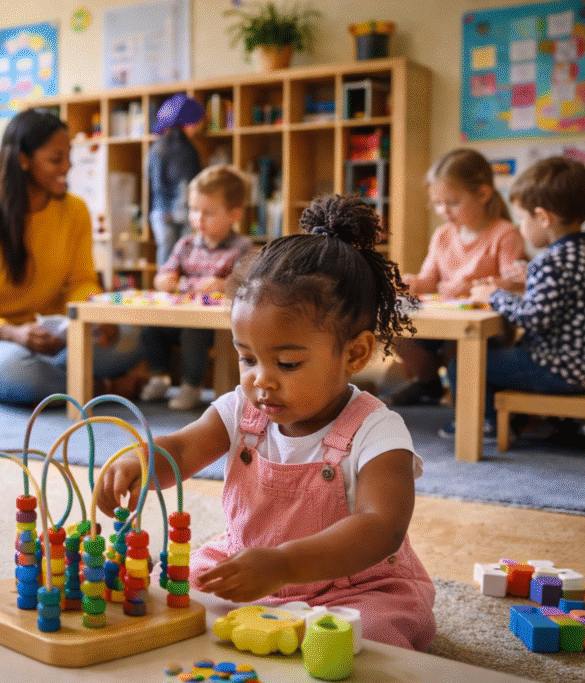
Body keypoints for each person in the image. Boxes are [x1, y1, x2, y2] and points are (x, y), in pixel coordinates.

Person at [97, 194, 436, 651]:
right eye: (247, 358)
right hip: (251, 569)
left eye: (288, 364)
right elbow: (180, 451)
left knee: (373, 639)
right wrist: (140, 462)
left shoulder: (377, 430)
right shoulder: (243, 409)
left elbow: (382, 526)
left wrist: (285, 564)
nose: (261, 381)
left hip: (354, 587)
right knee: (175, 603)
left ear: (354, 353)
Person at [0, 108, 143, 405]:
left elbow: (82, 281)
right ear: (23, 159)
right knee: (15, 370)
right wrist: (13, 333)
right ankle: (101, 389)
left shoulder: (75, 211)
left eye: (68, 156)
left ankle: (56, 386)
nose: (67, 167)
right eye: (55, 159)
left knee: (133, 338)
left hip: (55, 340)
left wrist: (96, 313)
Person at [446, 156, 585, 439]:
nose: (521, 227)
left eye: (523, 219)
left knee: (465, 365)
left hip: (560, 367)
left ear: (544, 218)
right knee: (504, 359)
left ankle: (485, 425)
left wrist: (495, 295)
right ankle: (529, 420)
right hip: (579, 363)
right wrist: (525, 283)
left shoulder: (552, 261)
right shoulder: (576, 254)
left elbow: (535, 318)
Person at [388, 148, 525, 407]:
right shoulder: (442, 235)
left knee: (459, 345)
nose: (443, 211)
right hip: (444, 317)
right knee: (394, 327)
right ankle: (428, 385)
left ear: (483, 194)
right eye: (438, 203)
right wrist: (406, 283)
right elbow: (428, 281)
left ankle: (472, 406)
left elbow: (515, 282)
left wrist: (480, 286)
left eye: (452, 202)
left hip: (481, 327)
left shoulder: (505, 234)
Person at [139, 164, 254, 410]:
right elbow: (162, 277)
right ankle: (159, 376)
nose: (198, 219)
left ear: (234, 214)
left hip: (216, 326)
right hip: (180, 318)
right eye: (193, 210)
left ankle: (192, 385)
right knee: (150, 325)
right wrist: (167, 280)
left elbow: (250, 287)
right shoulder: (186, 244)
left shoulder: (242, 246)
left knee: (194, 331)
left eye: (208, 213)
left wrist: (223, 284)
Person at [148, 93, 205, 266]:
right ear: (186, 122)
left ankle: (164, 289)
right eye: (194, 123)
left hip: (160, 210)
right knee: (185, 256)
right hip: (180, 211)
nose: (196, 128)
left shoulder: (156, 147)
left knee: (166, 258)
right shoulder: (188, 150)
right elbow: (190, 184)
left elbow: (152, 181)